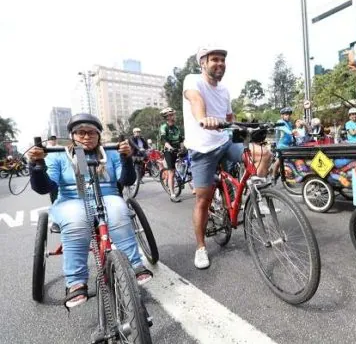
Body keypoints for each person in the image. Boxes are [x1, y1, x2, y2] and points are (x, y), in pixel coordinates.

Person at [27, 113, 152, 308]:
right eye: (81, 132)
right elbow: (44, 187)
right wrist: (36, 165)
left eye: (91, 132)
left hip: (107, 197)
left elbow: (127, 181)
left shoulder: (110, 152)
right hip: (71, 200)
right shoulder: (59, 154)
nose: (86, 137)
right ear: (72, 135)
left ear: (99, 135)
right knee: (77, 220)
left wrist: (127, 159)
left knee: (119, 210)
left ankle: (135, 265)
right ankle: (76, 282)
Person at [183, 45, 271, 269]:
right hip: (202, 149)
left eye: (222, 60)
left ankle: (254, 200)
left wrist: (248, 125)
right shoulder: (193, 81)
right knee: (203, 199)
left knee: (263, 153)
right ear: (203, 63)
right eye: (215, 59)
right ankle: (201, 247)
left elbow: (230, 117)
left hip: (224, 142)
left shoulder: (224, 91)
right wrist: (204, 118)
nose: (220, 63)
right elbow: (196, 101)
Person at [159, 107, 184, 203]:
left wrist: (182, 147)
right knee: (171, 172)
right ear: (167, 117)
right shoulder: (164, 127)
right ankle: (173, 195)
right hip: (168, 151)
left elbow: (181, 140)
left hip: (177, 149)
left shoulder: (176, 127)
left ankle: (182, 178)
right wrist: (170, 147)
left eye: (173, 114)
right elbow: (164, 140)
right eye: (171, 115)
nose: (174, 116)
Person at [271, 107, 295, 184]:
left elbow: (292, 133)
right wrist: (291, 132)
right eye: (286, 114)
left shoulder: (290, 123)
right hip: (281, 145)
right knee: (279, 160)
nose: (288, 116)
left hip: (288, 145)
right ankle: (273, 176)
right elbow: (285, 129)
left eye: (289, 115)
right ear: (282, 115)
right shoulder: (280, 122)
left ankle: (285, 173)